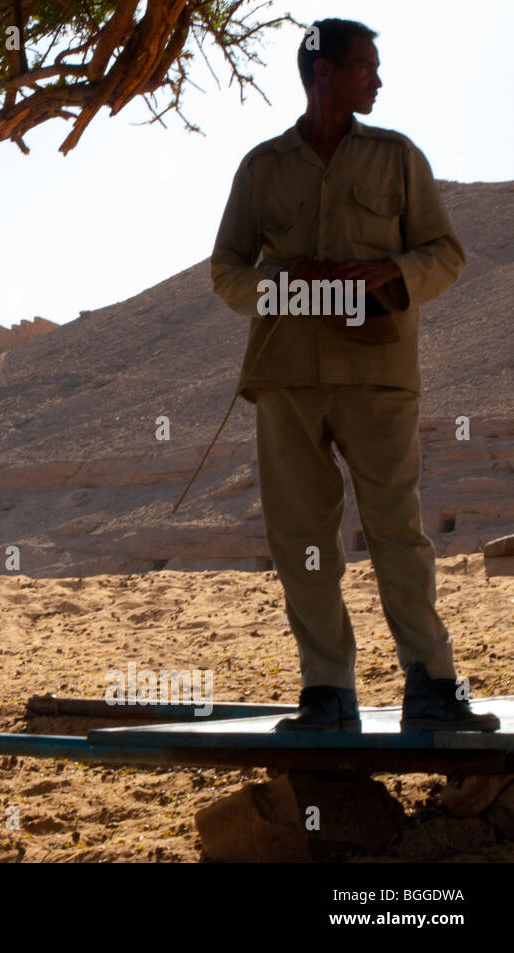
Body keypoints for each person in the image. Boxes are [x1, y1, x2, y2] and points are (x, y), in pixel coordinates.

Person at [209, 18, 497, 733]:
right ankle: (328, 696)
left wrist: (389, 272)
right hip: (287, 378)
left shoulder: (399, 158)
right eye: (366, 65)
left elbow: (447, 253)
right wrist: (288, 280)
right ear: (325, 72)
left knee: (398, 529)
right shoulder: (261, 168)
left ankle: (433, 688)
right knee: (301, 538)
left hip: (379, 376)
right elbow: (227, 273)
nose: (378, 78)